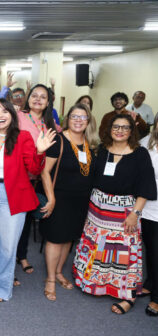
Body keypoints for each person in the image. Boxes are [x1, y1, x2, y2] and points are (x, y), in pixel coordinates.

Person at [73, 114, 157, 315]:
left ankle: (127, 295)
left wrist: (135, 213)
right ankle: (97, 284)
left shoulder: (140, 154)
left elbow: (146, 187)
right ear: (109, 129)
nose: (120, 131)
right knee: (97, 247)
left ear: (132, 131)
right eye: (116, 127)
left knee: (124, 253)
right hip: (97, 209)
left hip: (124, 211)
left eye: (125, 127)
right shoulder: (102, 150)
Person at [0, 98, 55, 302]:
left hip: (12, 195)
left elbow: (34, 170)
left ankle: (2, 288)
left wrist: (39, 152)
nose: (0, 116)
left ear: (12, 115)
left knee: (8, 246)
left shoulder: (23, 137)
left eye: (4, 112)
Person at [39, 103, 96, 301]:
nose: (78, 120)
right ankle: (50, 279)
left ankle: (59, 272)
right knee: (55, 238)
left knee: (69, 238)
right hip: (59, 198)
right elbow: (45, 171)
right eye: (74, 116)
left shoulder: (90, 144)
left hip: (80, 200)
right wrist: (52, 198)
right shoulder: (58, 140)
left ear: (88, 121)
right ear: (67, 119)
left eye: (83, 117)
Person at [16, 84, 61, 275]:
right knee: (13, 222)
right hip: (17, 178)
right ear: (28, 98)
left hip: (37, 180)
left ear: (49, 102)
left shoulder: (53, 126)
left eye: (43, 97)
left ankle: (22, 256)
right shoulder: (17, 117)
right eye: (34, 95)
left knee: (25, 222)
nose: (38, 99)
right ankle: (8, 260)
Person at [140, 118, 158, 316]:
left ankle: (157, 298)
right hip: (146, 205)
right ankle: (150, 282)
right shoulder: (147, 141)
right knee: (150, 248)